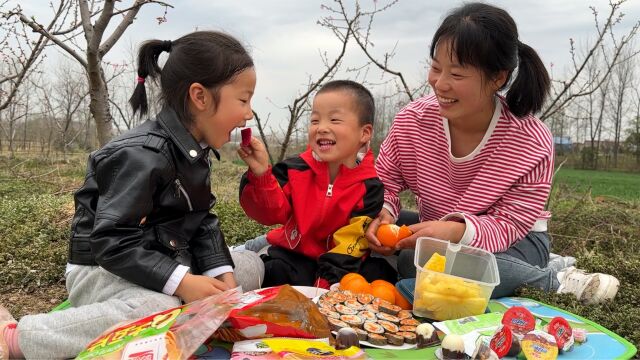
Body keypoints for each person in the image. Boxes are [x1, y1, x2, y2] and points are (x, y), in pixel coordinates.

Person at [0, 31, 265, 360]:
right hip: (102, 267)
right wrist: (182, 283)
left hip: (161, 258)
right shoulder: (141, 154)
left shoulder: (196, 153)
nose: (249, 113)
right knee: (158, 305)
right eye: (243, 100)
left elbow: (201, 221)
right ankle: (18, 338)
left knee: (247, 266)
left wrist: (219, 274)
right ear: (200, 96)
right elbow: (112, 241)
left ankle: (187, 303)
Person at [365, 3, 619, 304]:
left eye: (457, 74)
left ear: (498, 78)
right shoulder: (414, 121)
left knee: (412, 261)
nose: (440, 83)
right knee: (367, 225)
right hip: (444, 236)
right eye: (435, 67)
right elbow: (388, 179)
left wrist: (456, 232)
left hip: (516, 240)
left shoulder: (529, 139)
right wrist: (384, 212)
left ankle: (555, 280)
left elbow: (511, 223)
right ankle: (516, 272)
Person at [236, 80, 397, 288]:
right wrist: (261, 175)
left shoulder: (370, 187)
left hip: (342, 263)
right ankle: (249, 252)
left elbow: (351, 245)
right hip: (296, 255)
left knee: (381, 274)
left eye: (334, 120)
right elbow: (268, 214)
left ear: (364, 133)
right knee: (278, 270)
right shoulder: (294, 169)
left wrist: (324, 288)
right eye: (315, 120)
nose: (321, 128)